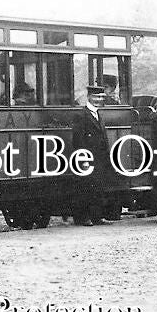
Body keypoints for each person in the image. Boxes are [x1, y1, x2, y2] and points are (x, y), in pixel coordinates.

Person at [69, 85, 113, 226]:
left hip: (99, 156)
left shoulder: (98, 114)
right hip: (87, 157)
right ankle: (83, 217)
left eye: (101, 97)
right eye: (95, 97)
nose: (98, 100)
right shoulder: (81, 115)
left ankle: (97, 216)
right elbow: (78, 139)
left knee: (98, 187)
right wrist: (83, 159)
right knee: (86, 187)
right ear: (89, 97)